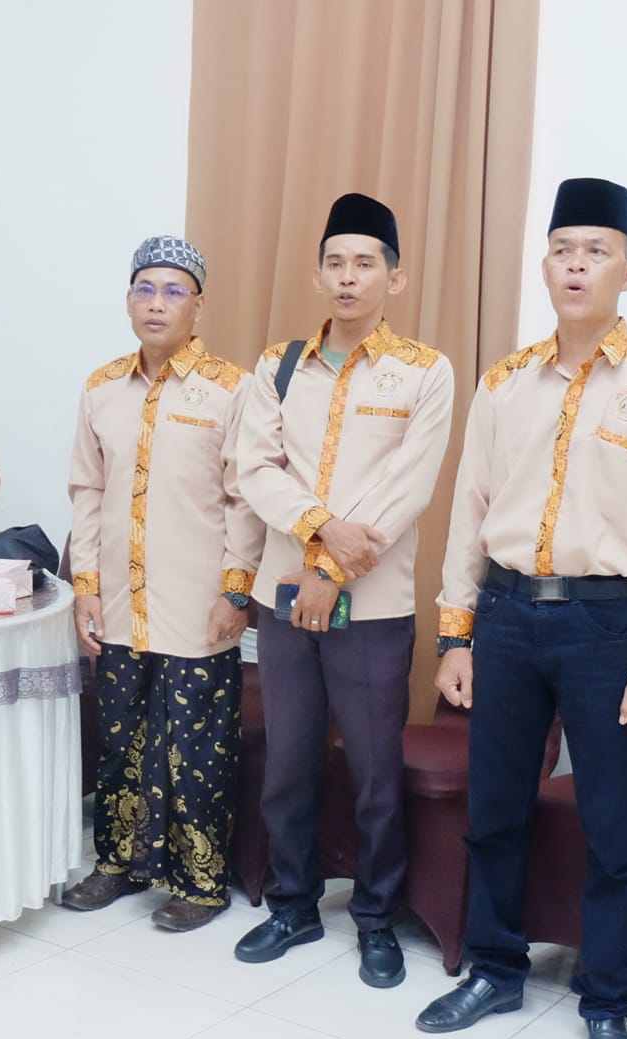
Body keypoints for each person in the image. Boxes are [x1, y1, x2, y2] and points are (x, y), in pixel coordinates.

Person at [413, 178, 627, 1039]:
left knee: (612, 825)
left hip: (606, 625)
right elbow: (469, 511)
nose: (577, 265)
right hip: (505, 617)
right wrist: (456, 633)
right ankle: (495, 967)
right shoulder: (504, 382)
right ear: (544, 266)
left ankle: (606, 1000)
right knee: (495, 808)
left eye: (597, 251)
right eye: (563, 250)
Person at [231, 193, 454, 988]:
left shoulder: (425, 370)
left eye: (365, 263)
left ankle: (376, 917)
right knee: (289, 762)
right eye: (336, 263)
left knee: (373, 772)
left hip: (376, 607)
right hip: (281, 598)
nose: (349, 277)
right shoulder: (277, 366)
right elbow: (255, 470)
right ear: (318, 275)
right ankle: (292, 902)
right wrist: (322, 529)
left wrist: (327, 570)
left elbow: (409, 486)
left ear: (396, 277)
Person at [60, 236, 262, 932]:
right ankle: (116, 863)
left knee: (196, 748)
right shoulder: (100, 388)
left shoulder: (232, 387)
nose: (157, 303)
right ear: (128, 301)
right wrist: (86, 585)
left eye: (174, 290)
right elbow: (87, 491)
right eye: (145, 288)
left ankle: (200, 882)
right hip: (119, 599)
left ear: (197, 306)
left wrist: (235, 591)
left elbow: (244, 498)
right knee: (118, 737)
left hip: (196, 603)